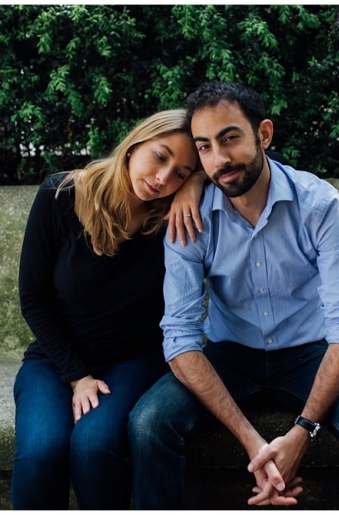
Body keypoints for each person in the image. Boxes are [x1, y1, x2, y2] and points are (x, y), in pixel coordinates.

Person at [128, 82, 339, 509]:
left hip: (310, 353)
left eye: (230, 138)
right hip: (229, 354)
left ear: (264, 135)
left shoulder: (320, 205)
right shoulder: (190, 219)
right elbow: (180, 337)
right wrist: (254, 443)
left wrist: (301, 433)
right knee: (148, 423)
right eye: (204, 148)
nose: (218, 159)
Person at [11, 109, 205, 510]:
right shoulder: (60, 194)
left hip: (133, 360)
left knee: (94, 447)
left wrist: (198, 183)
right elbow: (32, 296)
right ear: (134, 145)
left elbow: (253, 161)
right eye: (160, 156)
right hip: (55, 358)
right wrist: (77, 375)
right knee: (41, 451)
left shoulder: (171, 217)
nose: (163, 178)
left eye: (182, 172)